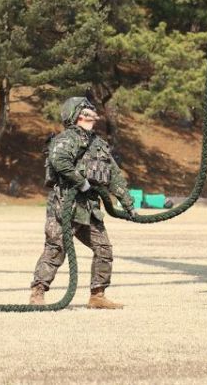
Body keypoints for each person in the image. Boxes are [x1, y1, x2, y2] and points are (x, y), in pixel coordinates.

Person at [29, 96, 135, 309]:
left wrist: (127, 202)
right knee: (56, 249)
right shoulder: (68, 138)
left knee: (104, 249)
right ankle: (37, 293)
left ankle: (97, 295)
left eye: (91, 111)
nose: (91, 115)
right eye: (85, 112)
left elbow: (113, 174)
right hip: (65, 206)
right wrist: (82, 182)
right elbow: (59, 161)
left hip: (89, 209)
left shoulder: (99, 144)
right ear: (75, 116)